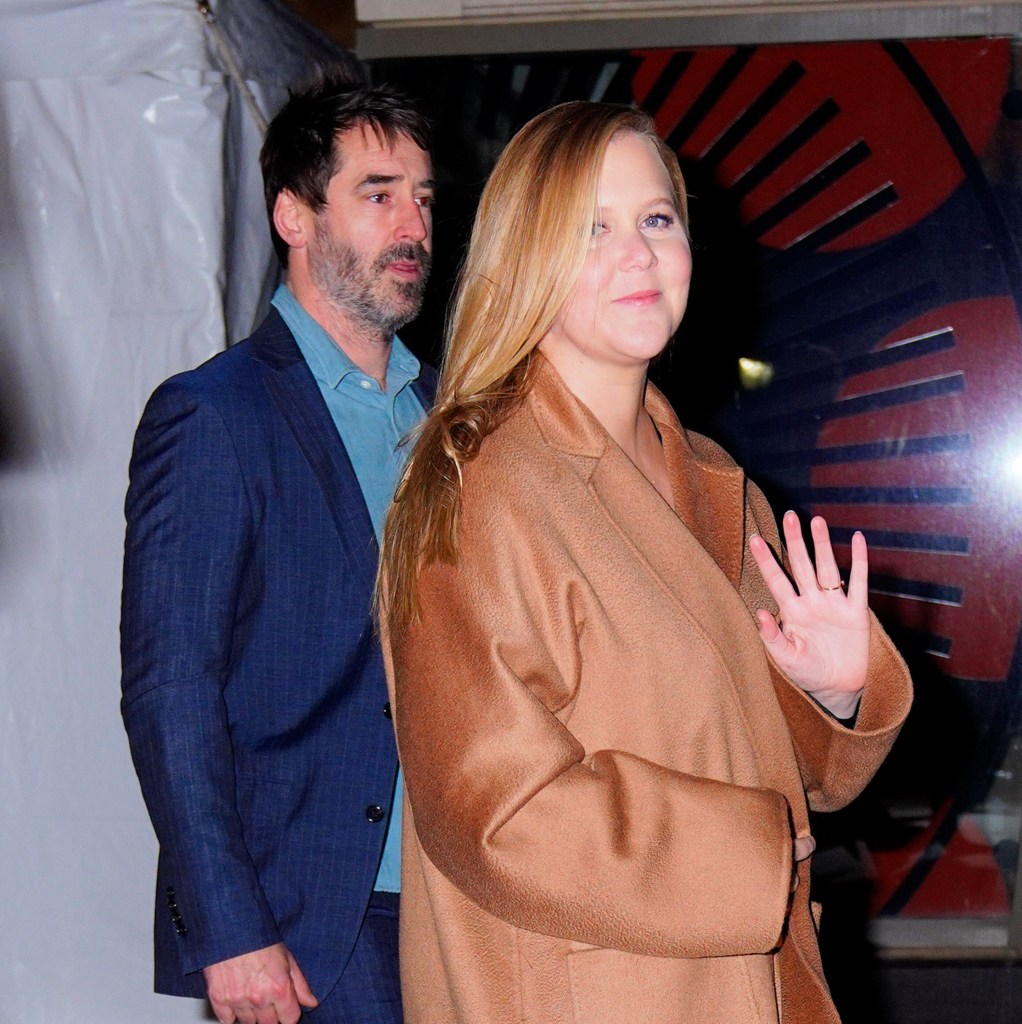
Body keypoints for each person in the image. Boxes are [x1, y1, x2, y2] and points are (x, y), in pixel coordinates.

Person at [377, 101, 912, 1024]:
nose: (639, 253)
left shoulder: (708, 476)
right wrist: (750, 854)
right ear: (523, 258)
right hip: (588, 991)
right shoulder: (482, 487)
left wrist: (828, 694)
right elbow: (495, 814)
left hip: (740, 982)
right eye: (592, 228)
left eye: (657, 219)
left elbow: (777, 760)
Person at [120, 74, 436, 1024]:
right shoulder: (215, 414)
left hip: (462, 905)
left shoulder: (449, 418)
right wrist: (228, 928)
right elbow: (169, 690)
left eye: (423, 198)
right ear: (294, 217)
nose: (412, 225)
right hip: (309, 927)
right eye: (377, 195)